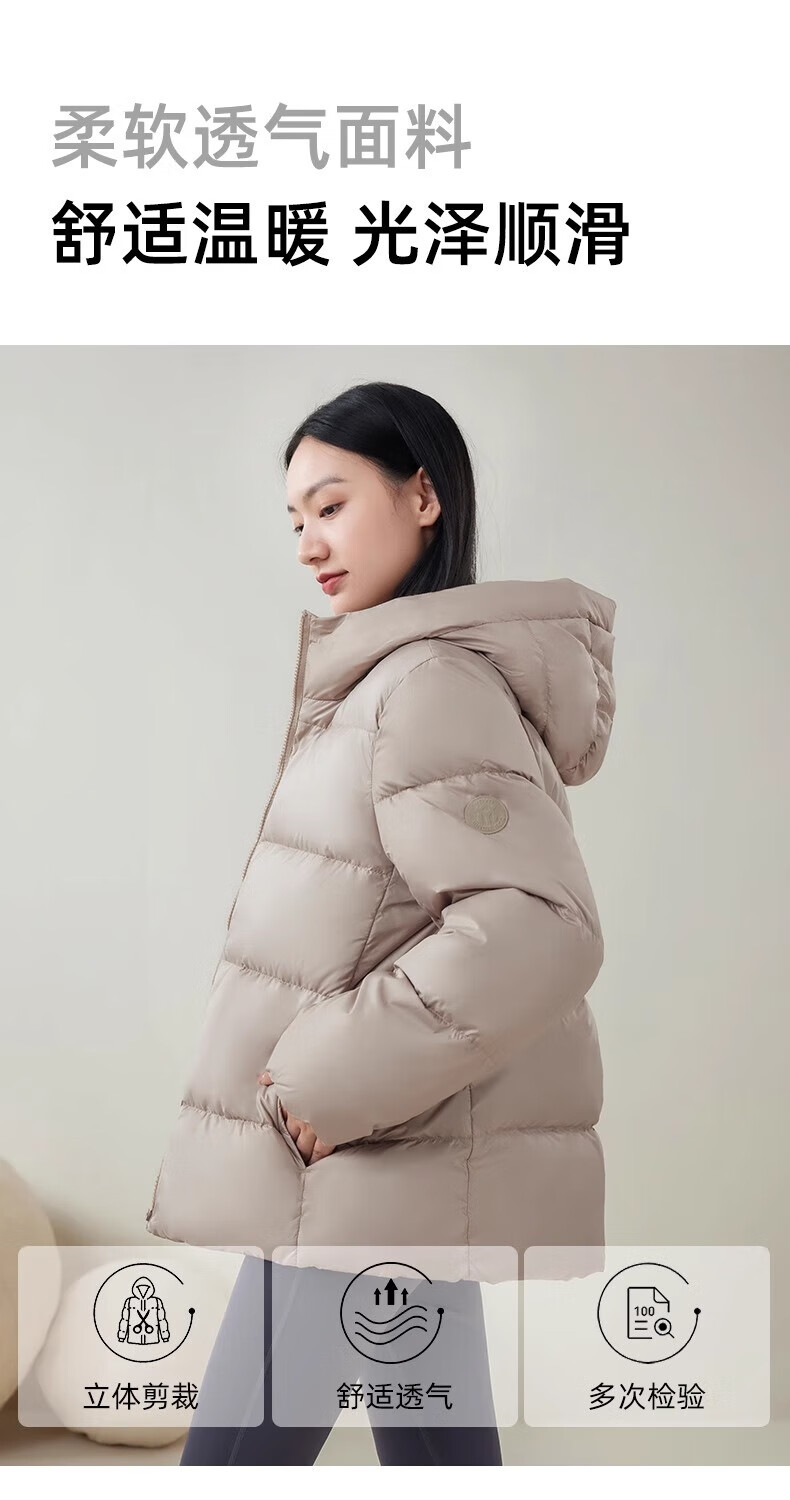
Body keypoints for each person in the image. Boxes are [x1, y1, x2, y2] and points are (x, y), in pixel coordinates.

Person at [145, 380, 617, 1464]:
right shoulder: (391, 680)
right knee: (441, 1462)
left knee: (232, 1468)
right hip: (392, 1167)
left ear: (423, 496)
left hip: (358, 1165)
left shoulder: (429, 683)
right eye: (295, 519)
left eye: (332, 504)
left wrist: (327, 1080)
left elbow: (539, 924)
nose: (310, 542)